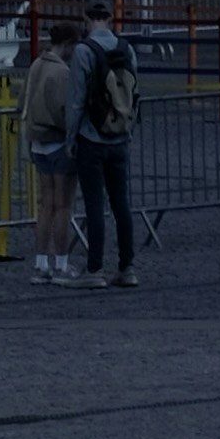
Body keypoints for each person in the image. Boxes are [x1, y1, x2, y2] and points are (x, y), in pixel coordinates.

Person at [69, 15, 141, 288]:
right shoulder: (126, 48)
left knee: (94, 205)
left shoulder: (83, 51)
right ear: (110, 20)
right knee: (121, 204)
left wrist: (70, 138)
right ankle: (127, 267)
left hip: (92, 136)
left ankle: (95, 269)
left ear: (86, 20)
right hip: (120, 137)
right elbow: (135, 93)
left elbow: (76, 99)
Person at [18, 36, 79, 283]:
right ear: (67, 45)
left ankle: (41, 263)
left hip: (37, 144)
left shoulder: (36, 65)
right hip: (58, 143)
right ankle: (62, 264)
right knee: (63, 206)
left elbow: (21, 102)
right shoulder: (62, 72)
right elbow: (63, 110)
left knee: (45, 205)